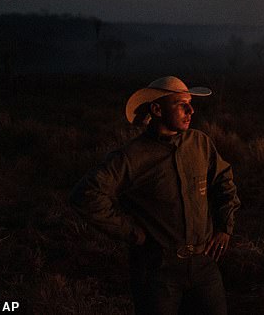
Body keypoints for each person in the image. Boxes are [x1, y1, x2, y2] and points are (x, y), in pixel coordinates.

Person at [70, 76, 240, 315]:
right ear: (157, 109)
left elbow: (224, 180)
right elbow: (86, 194)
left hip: (204, 265)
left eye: (190, 103)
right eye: (181, 104)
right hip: (158, 271)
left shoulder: (200, 143)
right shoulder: (132, 156)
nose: (191, 110)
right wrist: (132, 232)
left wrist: (225, 227)